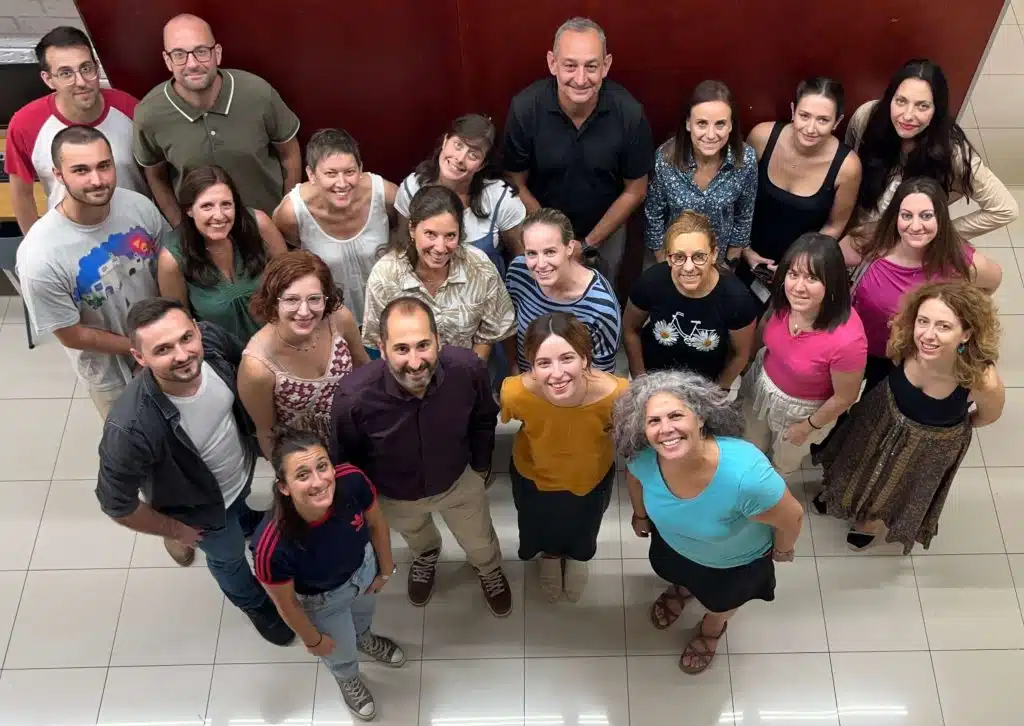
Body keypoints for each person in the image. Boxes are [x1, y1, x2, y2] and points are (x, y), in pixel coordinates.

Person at [95, 297, 294, 644]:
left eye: (186, 338)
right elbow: (116, 503)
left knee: (241, 507)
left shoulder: (210, 340)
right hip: (200, 512)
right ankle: (254, 604)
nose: (183, 354)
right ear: (139, 358)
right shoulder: (130, 427)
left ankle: (243, 517)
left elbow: (247, 360)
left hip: (239, 472)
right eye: (163, 349)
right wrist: (174, 529)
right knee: (229, 557)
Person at [331, 297, 513, 616]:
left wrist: (481, 466)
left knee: (479, 539)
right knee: (416, 535)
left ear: (438, 341)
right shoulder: (353, 398)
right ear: (382, 347)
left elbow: (484, 418)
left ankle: (488, 568)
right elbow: (347, 458)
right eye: (402, 348)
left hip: (458, 481)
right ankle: (426, 555)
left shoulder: (467, 370)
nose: (415, 362)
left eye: (423, 345)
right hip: (395, 494)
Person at [614, 370, 804, 674]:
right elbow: (634, 478)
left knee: (720, 603)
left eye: (676, 415)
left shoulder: (746, 476)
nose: (666, 429)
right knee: (677, 574)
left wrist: (782, 550)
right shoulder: (644, 457)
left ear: (700, 418)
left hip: (731, 565)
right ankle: (682, 589)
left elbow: (792, 516)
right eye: (654, 421)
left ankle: (712, 628)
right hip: (673, 545)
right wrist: (640, 514)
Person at [812, 281, 1005, 552]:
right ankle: (839, 495)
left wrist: (943, 435)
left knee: (897, 485)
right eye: (923, 321)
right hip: (882, 414)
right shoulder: (905, 340)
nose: (928, 335)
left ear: (966, 334)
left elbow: (987, 416)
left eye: (944, 326)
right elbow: (892, 357)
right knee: (856, 459)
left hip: (931, 443)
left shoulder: (982, 379)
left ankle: (871, 521)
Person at [16, 126, 169, 418]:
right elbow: (72, 334)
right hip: (110, 373)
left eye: (104, 166)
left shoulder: (139, 206)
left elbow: (165, 268)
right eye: (81, 170)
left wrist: (166, 336)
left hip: (162, 343)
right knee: (135, 445)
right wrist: (139, 348)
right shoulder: (40, 255)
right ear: (59, 175)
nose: (97, 180)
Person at [252, 429, 405, 721]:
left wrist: (385, 568)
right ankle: (347, 677)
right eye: (302, 475)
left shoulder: (352, 480)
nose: (319, 481)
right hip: (322, 599)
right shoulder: (271, 546)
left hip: (364, 569)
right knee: (339, 649)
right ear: (284, 487)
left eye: (322, 466)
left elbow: (376, 522)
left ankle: (365, 638)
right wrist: (313, 640)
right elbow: (287, 604)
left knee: (362, 619)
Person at [503, 16, 654, 289]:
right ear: (552, 63)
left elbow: (636, 190)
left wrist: (587, 245)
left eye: (591, 66)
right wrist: (553, 238)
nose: (581, 79)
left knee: (599, 303)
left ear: (606, 65)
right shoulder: (525, 108)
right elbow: (515, 181)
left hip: (605, 232)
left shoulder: (630, 113)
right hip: (540, 230)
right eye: (570, 66)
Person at [500, 313, 628, 602]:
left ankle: (579, 558)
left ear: (585, 357)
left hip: (590, 476)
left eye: (567, 358)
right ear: (531, 366)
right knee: (539, 522)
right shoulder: (514, 393)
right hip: (533, 475)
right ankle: (550, 555)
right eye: (544, 363)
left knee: (585, 523)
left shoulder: (617, 393)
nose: (557, 374)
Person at [133, 13, 301, 225]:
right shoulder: (149, 114)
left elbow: (289, 152)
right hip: (205, 239)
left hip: (269, 228)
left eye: (201, 52)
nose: (192, 64)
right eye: (179, 54)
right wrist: (181, 229)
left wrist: (286, 214)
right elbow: (156, 177)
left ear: (217, 54)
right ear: (168, 61)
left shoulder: (258, 93)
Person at [842, 176, 1002, 392]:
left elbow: (992, 281)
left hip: (909, 359)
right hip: (855, 345)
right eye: (906, 215)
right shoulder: (868, 242)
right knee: (840, 399)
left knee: (874, 407)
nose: (915, 226)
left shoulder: (960, 263)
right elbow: (829, 266)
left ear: (940, 219)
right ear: (895, 217)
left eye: (926, 216)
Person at [844, 58, 1017, 245]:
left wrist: (934, 238)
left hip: (900, 242)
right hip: (855, 226)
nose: (908, 115)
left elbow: (1005, 209)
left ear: (937, 110)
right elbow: (846, 167)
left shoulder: (952, 152)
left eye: (923, 106)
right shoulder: (867, 118)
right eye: (901, 101)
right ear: (890, 98)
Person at [739, 234, 866, 474]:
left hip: (802, 410)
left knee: (781, 465)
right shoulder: (785, 299)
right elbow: (766, 324)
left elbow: (845, 397)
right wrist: (748, 363)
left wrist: (807, 427)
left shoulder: (849, 340)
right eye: (793, 274)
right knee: (750, 446)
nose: (798, 287)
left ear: (833, 282)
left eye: (812, 278)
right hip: (762, 384)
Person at [4, 26, 147, 233]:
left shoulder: (130, 109)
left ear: (96, 67)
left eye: (86, 68)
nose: (81, 82)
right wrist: (34, 246)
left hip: (137, 234)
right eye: (66, 73)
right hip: (69, 241)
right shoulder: (25, 123)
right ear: (48, 79)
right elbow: (21, 195)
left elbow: (156, 176)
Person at [239, 250, 368, 458]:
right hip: (307, 458)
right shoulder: (257, 366)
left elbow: (364, 368)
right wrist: (289, 477)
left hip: (357, 435)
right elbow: (267, 433)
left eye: (314, 298)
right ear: (273, 301)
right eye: (292, 300)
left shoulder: (339, 319)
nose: (304, 311)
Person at [362, 185, 515, 360]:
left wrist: (469, 375)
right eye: (430, 234)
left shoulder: (479, 266)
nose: (440, 248)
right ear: (412, 229)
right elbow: (378, 342)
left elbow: (489, 334)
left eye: (450, 236)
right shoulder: (385, 275)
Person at [741, 77, 861, 299]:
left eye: (823, 120)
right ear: (793, 110)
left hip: (802, 273)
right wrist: (743, 249)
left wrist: (796, 268)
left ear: (837, 122)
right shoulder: (761, 137)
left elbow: (834, 227)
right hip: (743, 255)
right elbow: (737, 196)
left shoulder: (847, 167)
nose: (811, 128)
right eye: (804, 116)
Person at [273, 128, 397, 327]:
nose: (342, 183)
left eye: (349, 172)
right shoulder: (291, 213)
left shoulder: (384, 193)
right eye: (331, 174)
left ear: (361, 168)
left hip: (388, 311)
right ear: (311, 174)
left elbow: (403, 235)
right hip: (332, 319)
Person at [624, 211, 759, 388]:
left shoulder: (737, 299)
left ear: (713, 254)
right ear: (668, 258)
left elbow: (740, 355)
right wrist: (640, 382)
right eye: (679, 257)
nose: (688, 267)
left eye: (699, 256)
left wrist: (717, 393)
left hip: (703, 387)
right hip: (653, 379)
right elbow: (630, 330)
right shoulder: (651, 283)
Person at [158, 165, 288, 342]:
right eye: (207, 206)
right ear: (189, 209)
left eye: (226, 204)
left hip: (282, 342)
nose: (219, 216)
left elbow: (292, 282)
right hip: (224, 358)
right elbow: (180, 326)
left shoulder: (259, 225)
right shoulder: (172, 260)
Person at [395, 114, 525, 278]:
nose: (460, 158)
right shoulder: (412, 188)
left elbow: (520, 259)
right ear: (445, 141)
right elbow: (402, 247)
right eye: (458, 145)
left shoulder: (501, 198)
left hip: (486, 296)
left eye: (473, 155)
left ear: (482, 164)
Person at [645, 80, 757, 266]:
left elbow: (743, 217)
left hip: (718, 264)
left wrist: (729, 266)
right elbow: (654, 217)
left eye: (720, 124)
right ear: (689, 123)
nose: (711, 135)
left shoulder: (745, 160)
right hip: (675, 261)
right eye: (702, 123)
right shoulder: (665, 158)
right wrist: (665, 266)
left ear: (731, 125)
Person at [504, 208, 621, 374]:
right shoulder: (518, 273)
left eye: (550, 252)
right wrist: (516, 373)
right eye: (531, 253)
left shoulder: (601, 306)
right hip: (527, 381)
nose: (541, 264)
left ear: (570, 247)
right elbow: (509, 327)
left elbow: (603, 374)